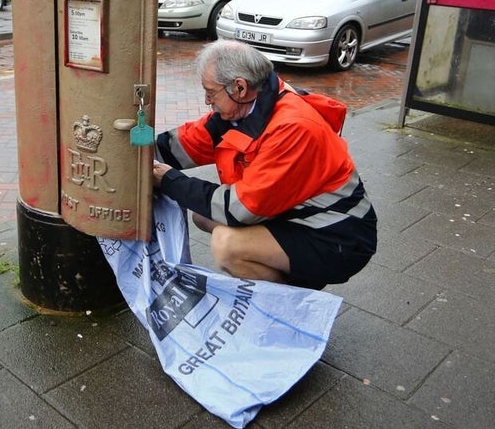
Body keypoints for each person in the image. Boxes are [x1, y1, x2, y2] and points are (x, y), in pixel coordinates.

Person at [152, 39, 377, 290]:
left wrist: (168, 179)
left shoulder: (292, 128)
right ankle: (287, 274)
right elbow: (186, 144)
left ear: (239, 87)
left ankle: (288, 306)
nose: (207, 100)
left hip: (338, 235)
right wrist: (137, 152)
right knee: (203, 216)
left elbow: (239, 210)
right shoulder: (249, 106)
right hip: (300, 216)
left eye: (210, 92)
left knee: (227, 245)